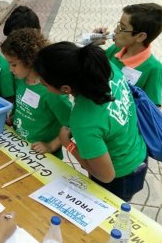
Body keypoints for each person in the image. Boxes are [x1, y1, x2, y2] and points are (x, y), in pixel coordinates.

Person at [34, 42, 148, 202]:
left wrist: (67, 143)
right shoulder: (105, 68)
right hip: (138, 151)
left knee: (112, 216)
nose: (41, 85)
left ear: (65, 89)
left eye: (44, 84)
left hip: (120, 176)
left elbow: (106, 176)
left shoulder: (83, 121)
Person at [0, 29, 71, 158]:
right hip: (19, 147)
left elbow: (72, 124)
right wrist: (14, 118)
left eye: (14, 64)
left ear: (29, 60)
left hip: (43, 156)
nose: (10, 69)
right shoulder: (20, 80)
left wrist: (51, 145)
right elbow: (23, 105)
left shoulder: (51, 91)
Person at [95, 3, 162, 106]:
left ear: (140, 36)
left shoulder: (154, 68)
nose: (115, 30)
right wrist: (91, 44)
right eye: (118, 25)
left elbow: (151, 108)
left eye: (122, 27)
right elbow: (95, 68)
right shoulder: (116, 49)